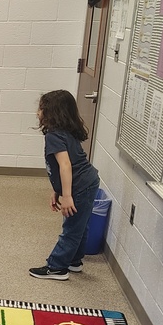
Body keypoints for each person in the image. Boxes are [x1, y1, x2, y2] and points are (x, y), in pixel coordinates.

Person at [29, 89, 101, 281]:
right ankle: (74, 261)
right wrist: (57, 190)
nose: (38, 113)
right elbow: (69, 164)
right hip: (88, 182)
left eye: (41, 109)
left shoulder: (54, 136)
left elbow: (65, 165)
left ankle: (57, 267)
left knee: (72, 228)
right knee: (81, 225)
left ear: (53, 113)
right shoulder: (65, 132)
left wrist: (67, 196)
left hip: (80, 186)